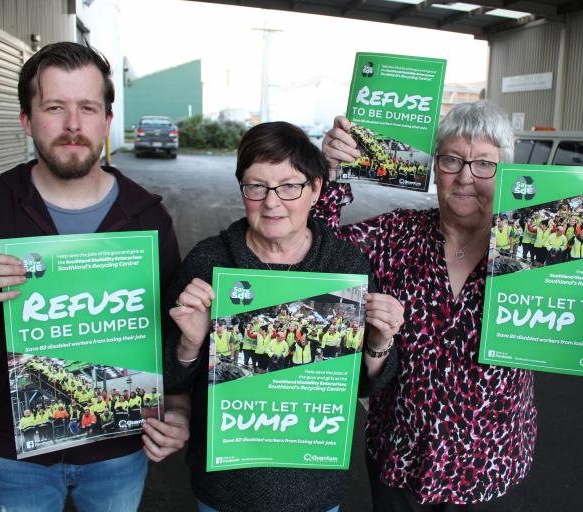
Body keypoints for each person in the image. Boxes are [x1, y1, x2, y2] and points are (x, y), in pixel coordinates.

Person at [0, 41, 188, 511]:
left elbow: (173, 333)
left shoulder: (148, 220)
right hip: (15, 457)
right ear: (26, 119)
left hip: (117, 452)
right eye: (55, 107)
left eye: (87, 108)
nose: (73, 125)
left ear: (107, 121)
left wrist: (179, 410)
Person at [163, 121, 404, 512]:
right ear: (242, 190)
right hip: (225, 490)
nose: (272, 202)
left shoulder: (343, 265)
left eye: (289, 186)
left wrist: (380, 343)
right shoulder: (210, 262)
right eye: (256, 187)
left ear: (316, 189)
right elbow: (171, 378)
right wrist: (190, 343)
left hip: (315, 490)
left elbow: (362, 387)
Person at [321, 101, 536, 511]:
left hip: (492, 467)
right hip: (400, 463)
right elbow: (317, 252)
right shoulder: (395, 235)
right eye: (452, 159)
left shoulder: (532, 248)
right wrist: (330, 173)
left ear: (505, 171)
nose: (465, 177)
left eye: (484, 164)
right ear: (434, 166)